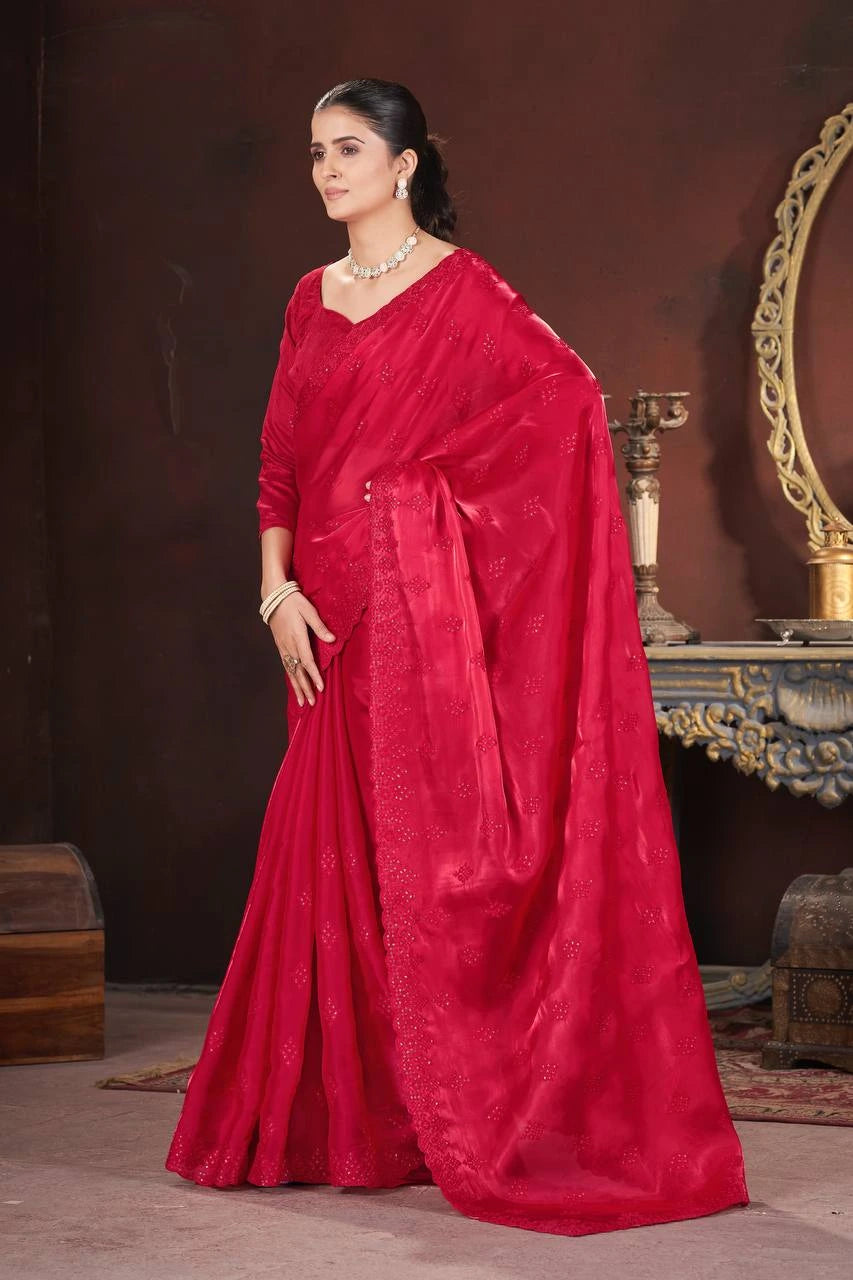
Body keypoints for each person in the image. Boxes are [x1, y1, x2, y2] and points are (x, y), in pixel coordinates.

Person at [165, 77, 749, 1236]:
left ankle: (457, 1110)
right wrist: (272, 588)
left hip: (407, 615)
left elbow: (563, 407)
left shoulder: (466, 293)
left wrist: (409, 510)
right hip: (317, 617)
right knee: (331, 857)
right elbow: (278, 464)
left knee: (421, 859)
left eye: (347, 149)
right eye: (315, 152)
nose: (326, 170)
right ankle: (354, 1123)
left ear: (405, 164)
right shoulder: (308, 297)